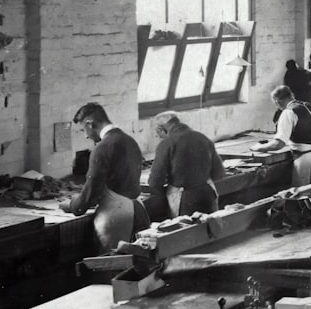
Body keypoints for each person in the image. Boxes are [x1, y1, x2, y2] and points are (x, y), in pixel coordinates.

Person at [60, 102, 150, 252]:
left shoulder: (102, 148)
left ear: (90, 124)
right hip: (137, 210)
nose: (86, 136)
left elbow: (91, 194)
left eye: (83, 130)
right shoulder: (129, 140)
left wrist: (72, 205)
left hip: (116, 216)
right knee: (137, 260)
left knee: (112, 262)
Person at [147, 111, 226, 218]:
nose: (159, 137)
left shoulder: (167, 144)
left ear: (161, 129)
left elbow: (155, 181)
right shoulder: (202, 137)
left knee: (186, 227)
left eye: (158, 134)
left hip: (185, 199)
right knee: (211, 225)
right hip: (208, 194)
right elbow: (219, 173)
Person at [253, 85, 311, 187]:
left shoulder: (288, 112)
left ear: (277, 101)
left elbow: (278, 144)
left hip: (305, 160)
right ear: (292, 95)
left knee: (304, 193)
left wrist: (258, 148)